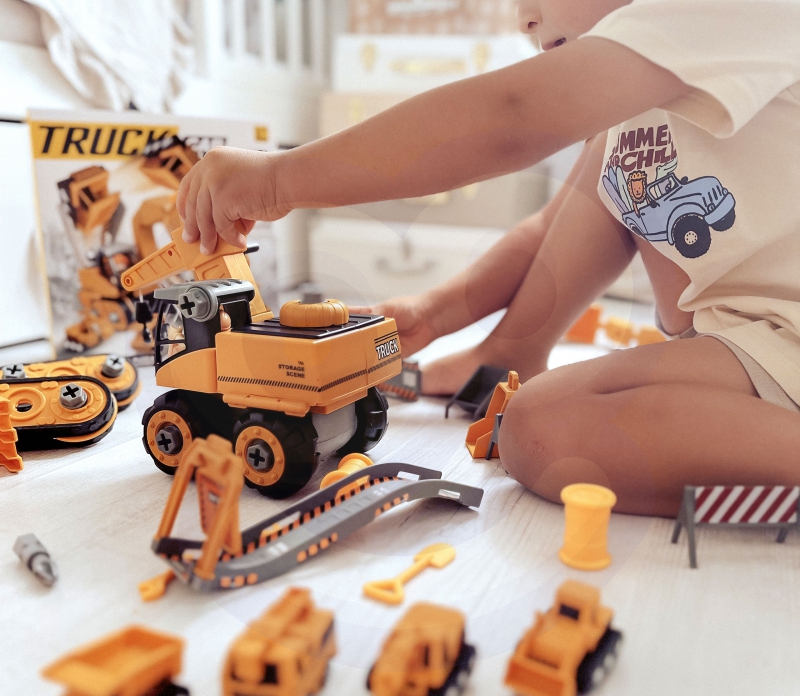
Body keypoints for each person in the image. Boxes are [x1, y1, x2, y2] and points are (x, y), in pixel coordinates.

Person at [176, 0, 800, 517]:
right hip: (752, 343)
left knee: (543, 429)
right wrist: (433, 313)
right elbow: (557, 227)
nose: (522, 17)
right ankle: (510, 350)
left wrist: (280, 178)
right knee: (607, 167)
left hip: (783, 342)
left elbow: (514, 114)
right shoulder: (640, 109)